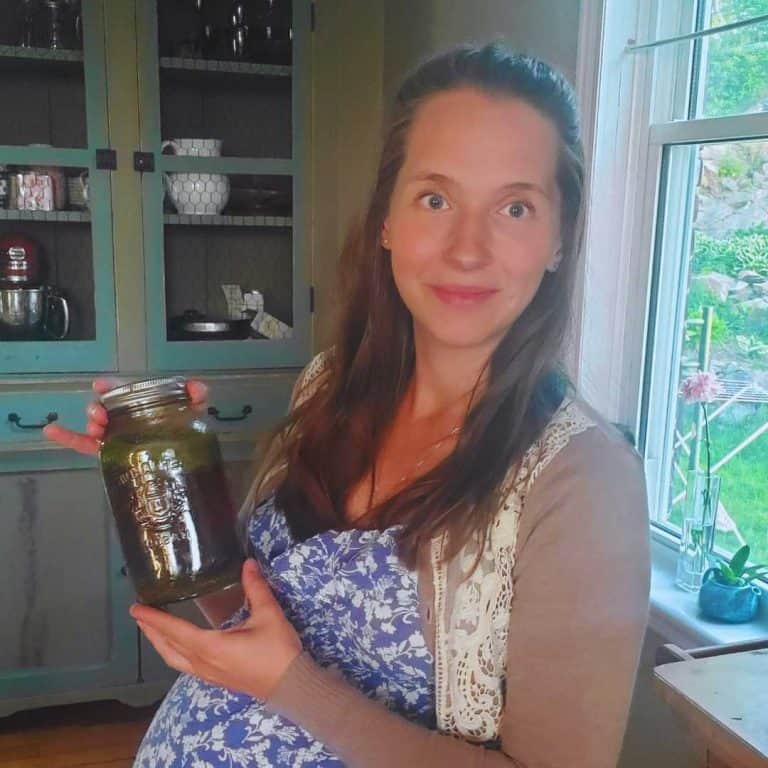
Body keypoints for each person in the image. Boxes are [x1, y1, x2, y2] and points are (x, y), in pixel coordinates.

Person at [46, 43, 650, 768]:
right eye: (436, 198)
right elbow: (247, 619)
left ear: (559, 240)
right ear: (386, 222)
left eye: (515, 207)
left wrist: (293, 685)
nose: (467, 248)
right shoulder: (331, 384)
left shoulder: (584, 483)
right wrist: (160, 479)